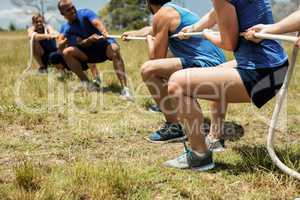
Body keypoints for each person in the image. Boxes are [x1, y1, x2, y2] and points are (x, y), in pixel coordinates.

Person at [164, 0, 289, 171]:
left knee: (176, 83)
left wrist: (207, 34)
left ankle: (199, 156)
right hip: (275, 68)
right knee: (216, 72)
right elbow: (216, 12)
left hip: (262, 74)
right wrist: (194, 29)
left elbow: (229, 43)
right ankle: (215, 139)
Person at [122, 0, 226, 147]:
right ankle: (187, 112)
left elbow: (155, 59)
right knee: (171, 58)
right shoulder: (175, 11)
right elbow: (151, 29)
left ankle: (174, 126)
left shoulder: (162, 15)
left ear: (147, 3)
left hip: (206, 65)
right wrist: (134, 33)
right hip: (221, 64)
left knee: (149, 70)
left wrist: (150, 42)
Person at [57, 0, 133, 99]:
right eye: (68, 10)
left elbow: (97, 23)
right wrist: (64, 42)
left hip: (104, 47)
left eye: (73, 7)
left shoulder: (85, 13)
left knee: (115, 49)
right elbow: (60, 43)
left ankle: (125, 89)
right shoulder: (66, 28)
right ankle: (88, 84)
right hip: (88, 54)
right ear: (62, 14)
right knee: (67, 52)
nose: (72, 10)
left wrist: (104, 31)